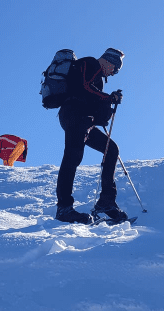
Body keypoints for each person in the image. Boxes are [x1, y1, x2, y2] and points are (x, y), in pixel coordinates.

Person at [55, 47, 128, 225]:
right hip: (73, 115)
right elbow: (85, 87)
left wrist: (108, 106)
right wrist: (108, 98)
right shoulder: (89, 63)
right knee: (73, 156)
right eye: (115, 68)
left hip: (85, 120)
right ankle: (64, 208)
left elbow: (96, 103)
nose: (113, 72)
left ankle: (106, 202)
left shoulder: (99, 80)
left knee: (112, 149)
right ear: (108, 61)